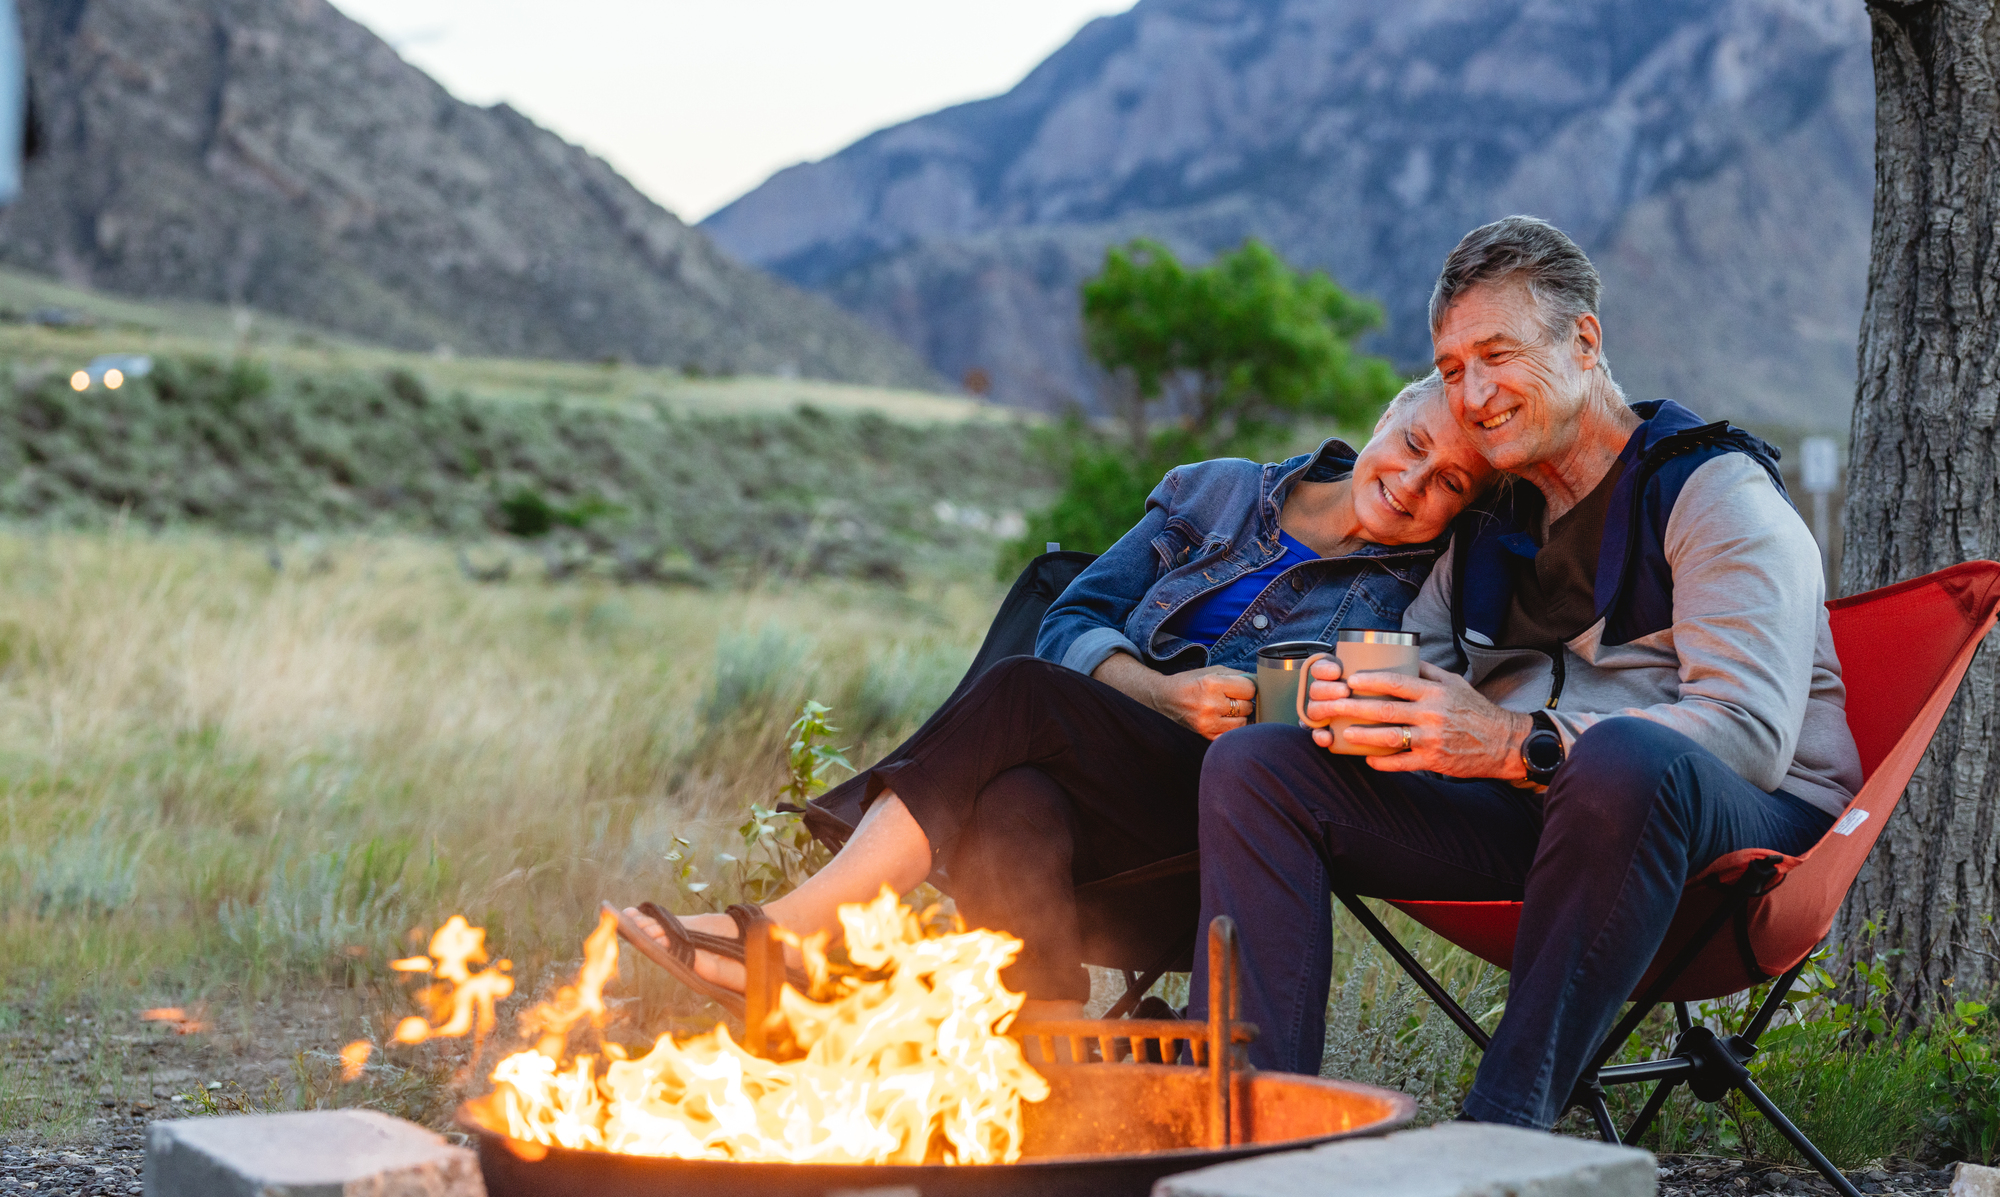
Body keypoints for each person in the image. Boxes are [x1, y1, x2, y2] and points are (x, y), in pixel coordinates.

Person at [1193, 216, 1863, 1128]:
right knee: (1258, 768)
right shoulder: (1485, 521)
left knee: (1624, 761)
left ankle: (1503, 1141)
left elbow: (1746, 732)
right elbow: (1416, 670)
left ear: (1583, 339)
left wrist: (1517, 742)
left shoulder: (1712, 493)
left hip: (1738, 836)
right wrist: (1323, 701)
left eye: (1496, 353)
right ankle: (1238, 1134)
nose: (1470, 393)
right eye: (1452, 367)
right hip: (1547, 814)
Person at [620, 375, 1494, 1019]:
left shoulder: (1423, 589)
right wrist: (1159, 690)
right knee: (1014, 796)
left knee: (1024, 697)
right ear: (1382, 417)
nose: (1416, 484)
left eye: (1452, 483)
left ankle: (794, 936)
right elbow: (1073, 612)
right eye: (1415, 446)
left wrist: (1252, 703)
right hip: (1100, 820)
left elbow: (1367, 713)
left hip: (1225, 843)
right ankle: (1049, 1053)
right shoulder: (1218, 489)